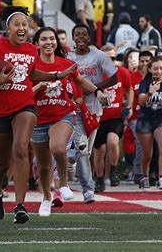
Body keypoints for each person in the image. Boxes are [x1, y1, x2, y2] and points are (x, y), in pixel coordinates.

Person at [0, 6, 77, 223]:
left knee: (21, 149)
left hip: (25, 105)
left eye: (25, 25)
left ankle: (20, 205)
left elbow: (32, 73)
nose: (22, 28)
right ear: (8, 28)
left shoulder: (30, 49)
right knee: (3, 161)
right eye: (17, 24)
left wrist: (55, 74)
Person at [30, 27, 106, 216]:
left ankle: (63, 183)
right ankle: (47, 198)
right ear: (37, 43)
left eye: (52, 39)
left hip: (63, 114)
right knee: (44, 165)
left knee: (57, 148)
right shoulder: (32, 66)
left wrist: (97, 91)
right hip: (38, 119)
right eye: (44, 39)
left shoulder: (66, 63)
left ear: (57, 42)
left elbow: (80, 81)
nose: (48, 42)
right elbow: (24, 94)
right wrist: (40, 86)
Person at [67, 23, 118, 203]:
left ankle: (71, 153)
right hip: (74, 108)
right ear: (73, 38)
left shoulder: (99, 56)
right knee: (82, 149)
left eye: (84, 34)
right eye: (77, 35)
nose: (80, 37)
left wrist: (95, 88)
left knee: (85, 152)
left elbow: (115, 76)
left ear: (88, 37)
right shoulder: (68, 57)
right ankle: (88, 190)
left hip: (94, 108)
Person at [93, 44, 133, 192]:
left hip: (115, 116)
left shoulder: (122, 72)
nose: (111, 61)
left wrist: (128, 106)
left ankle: (114, 170)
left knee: (113, 140)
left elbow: (129, 89)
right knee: (99, 151)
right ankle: (99, 179)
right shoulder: (94, 74)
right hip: (97, 117)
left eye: (114, 58)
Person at [136, 57, 162, 190]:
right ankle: (144, 176)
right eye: (155, 68)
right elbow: (141, 101)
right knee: (147, 153)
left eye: (161, 68)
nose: (158, 71)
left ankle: (161, 177)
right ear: (150, 69)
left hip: (161, 118)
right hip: (145, 119)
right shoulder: (144, 83)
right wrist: (150, 92)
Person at [129, 50, 152, 183]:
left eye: (147, 61)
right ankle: (138, 172)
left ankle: (153, 173)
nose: (144, 63)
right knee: (140, 140)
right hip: (136, 117)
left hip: (154, 115)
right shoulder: (133, 77)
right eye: (142, 61)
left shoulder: (155, 76)